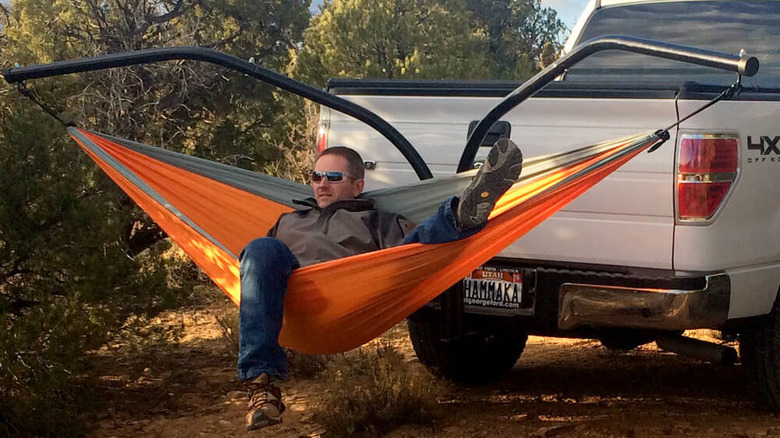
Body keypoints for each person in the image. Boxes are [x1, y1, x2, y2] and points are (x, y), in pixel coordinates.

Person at [238, 139, 523, 431]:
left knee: (418, 241)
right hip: (294, 300)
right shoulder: (288, 220)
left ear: (357, 185)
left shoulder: (375, 220)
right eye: (316, 176)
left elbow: (412, 254)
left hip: (352, 296)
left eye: (334, 177)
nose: (322, 184)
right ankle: (261, 387)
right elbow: (259, 273)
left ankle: (462, 214)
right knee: (261, 248)